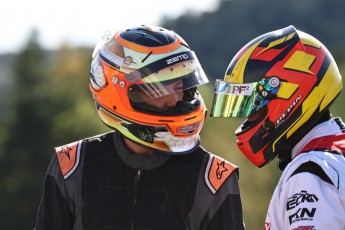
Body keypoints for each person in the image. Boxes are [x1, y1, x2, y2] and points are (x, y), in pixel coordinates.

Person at [35, 25, 245, 229]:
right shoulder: (71, 166)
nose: (177, 98)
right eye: (160, 87)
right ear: (121, 94)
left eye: (182, 83)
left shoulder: (215, 179)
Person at [210, 25, 345, 229]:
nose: (248, 118)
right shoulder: (335, 155)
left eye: (252, 107)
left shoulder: (309, 174)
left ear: (289, 95)